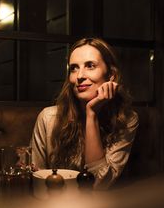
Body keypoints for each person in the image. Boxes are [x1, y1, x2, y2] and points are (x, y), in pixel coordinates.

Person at [30, 37, 139, 189]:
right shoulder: (48, 118)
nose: (79, 76)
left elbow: (99, 185)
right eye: (74, 68)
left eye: (90, 66)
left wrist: (91, 113)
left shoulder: (127, 119)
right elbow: (36, 178)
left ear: (110, 75)